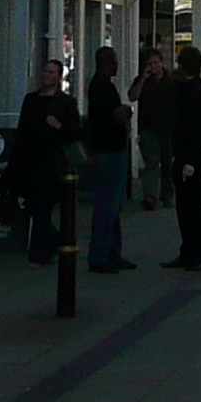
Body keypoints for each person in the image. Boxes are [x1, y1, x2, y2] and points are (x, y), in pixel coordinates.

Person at [11, 58, 81, 266]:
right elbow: (22, 131)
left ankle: (41, 252)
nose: (46, 76)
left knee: (43, 207)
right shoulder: (31, 100)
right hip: (32, 160)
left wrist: (58, 126)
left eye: (51, 72)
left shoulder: (66, 103)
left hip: (53, 163)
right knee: (35, 207)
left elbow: (75, 133)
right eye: (45, 71)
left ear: (59, 77)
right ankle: (53, 244)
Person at [160, 44, 201, 269]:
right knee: (190, 205)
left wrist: (189, 161)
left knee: (190, 206)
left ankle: (195, 253)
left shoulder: (192, 92)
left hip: (189, 155)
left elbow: (194, 127)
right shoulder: (198, 89)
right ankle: (191, 251)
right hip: (190, 153)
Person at [83, 48, 133, 272]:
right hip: (110, 150)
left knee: (112, 204)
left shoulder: (97, 85)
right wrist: (126, 111)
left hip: (106, 148)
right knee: (108, 204)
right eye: (114, 61)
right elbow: (115, 116)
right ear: (107, 63)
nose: (117, 65)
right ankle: (101, 255)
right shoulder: (103, 86)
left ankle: (112, 252)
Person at [132, 48, 171, 210]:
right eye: (149, 63)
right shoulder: (142, 80)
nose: (153, 66)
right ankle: (150, 196)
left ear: (162, 63)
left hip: (167, 128)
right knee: (151, 165)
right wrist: (143, 79)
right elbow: (132, 96)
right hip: (149, 128)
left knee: (168, 165)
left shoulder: (170, 81)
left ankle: (167, 195)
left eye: (156, 63)